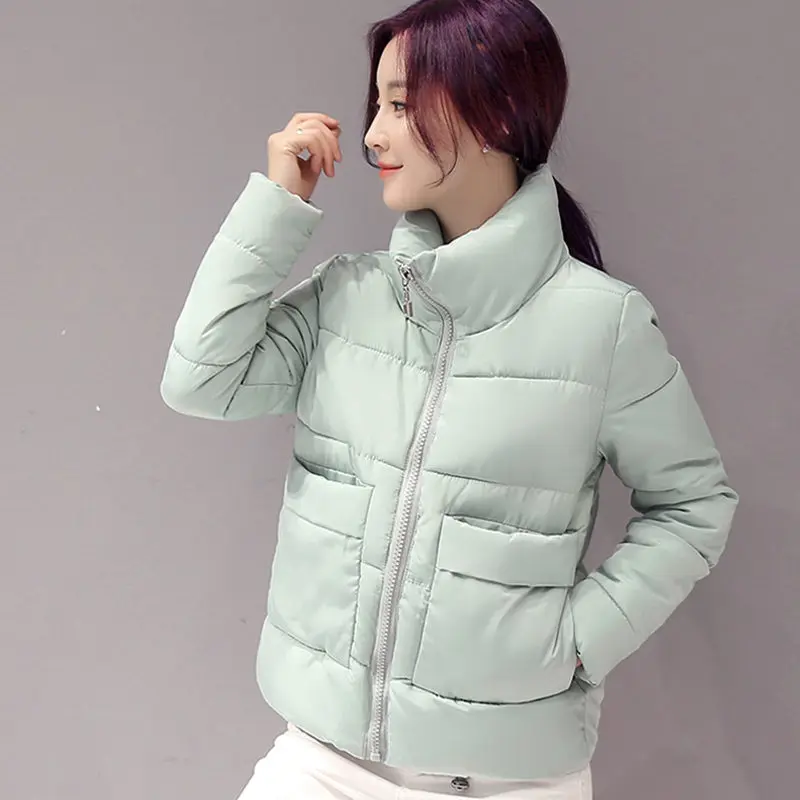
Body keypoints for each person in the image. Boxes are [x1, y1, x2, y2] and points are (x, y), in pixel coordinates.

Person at [159, 1, 739, 798]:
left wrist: (575, 642)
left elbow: (694, 505)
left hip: (506, 782)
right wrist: (277, 205)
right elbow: (202, 377)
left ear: (496, 112)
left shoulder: (602, 326)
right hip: (324, 763)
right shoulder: (347, 298)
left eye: (401, 105)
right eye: (378, 104)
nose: (372, 135)